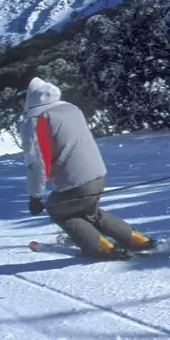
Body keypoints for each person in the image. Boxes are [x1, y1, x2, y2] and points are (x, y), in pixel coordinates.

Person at [20, 77, 156, 260]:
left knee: (59, 210)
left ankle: (101, 248)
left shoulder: (37, 120)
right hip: (97, 176)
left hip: (74, 182)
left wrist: (35, 196)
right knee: (89, 212)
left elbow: (37, 161)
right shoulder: (70, 108)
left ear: (30, 98)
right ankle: (137, 240)